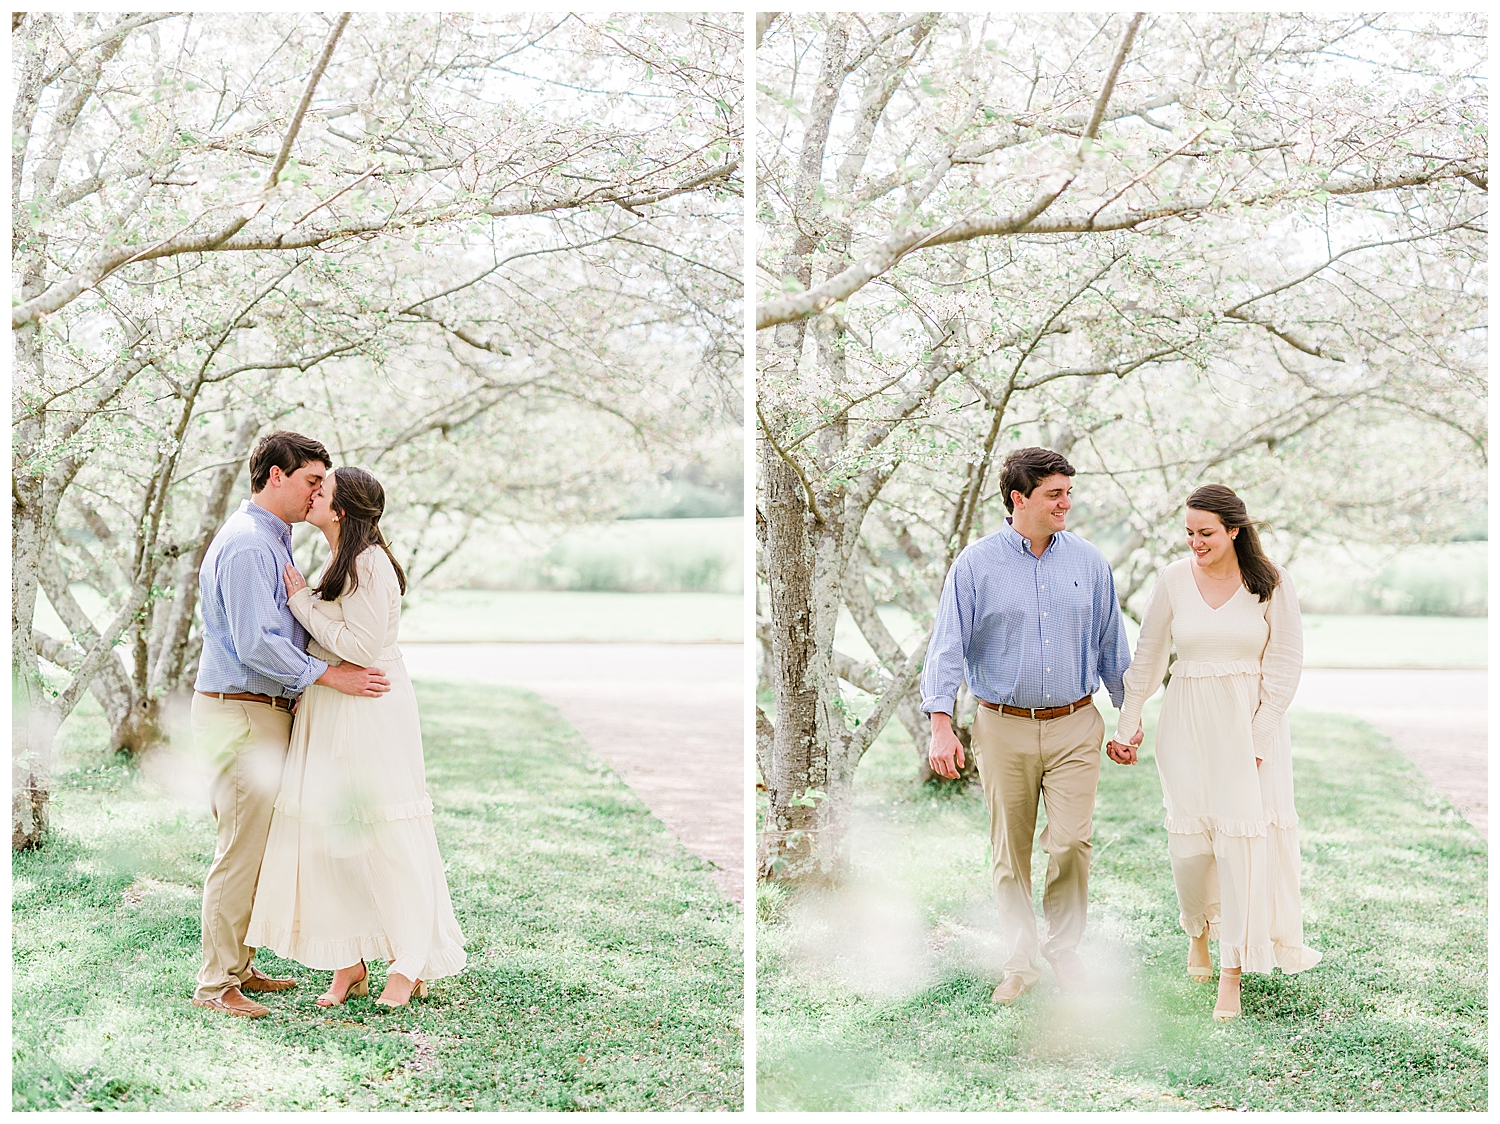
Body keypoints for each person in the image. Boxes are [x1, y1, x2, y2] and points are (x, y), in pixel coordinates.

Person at [246, 466, 467, 1008]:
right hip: (330, 707)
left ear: (341, 510)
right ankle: (348, 963)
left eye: (321, 491)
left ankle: (409, 963)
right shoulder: (341, 559)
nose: (311, 496)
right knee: (328, 836)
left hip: (367, 709)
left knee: (382, 834)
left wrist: (302, 603)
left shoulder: (369, 562)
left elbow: (363, 649)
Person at [923, 447, 1133, 1005]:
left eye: (1069, 492)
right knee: (1009, 853)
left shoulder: (1089, 562)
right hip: (1002, 726)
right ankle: (1020, 962)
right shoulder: (975, 565)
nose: (1067, 503)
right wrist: (941, 724)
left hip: (1075, 724)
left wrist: (1128, 718)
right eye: (1054, 494)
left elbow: (1112, 646)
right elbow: (947, 647)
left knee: (1071, 842)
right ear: (1019, 498)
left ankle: (1064, 948)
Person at [191, 433, 391, 1019]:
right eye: (311, 480)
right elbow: (257, 643)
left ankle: (239, 966)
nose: (317, 494)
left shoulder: (273, 540)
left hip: (261, 708)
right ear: (275, 476)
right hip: (242, 710)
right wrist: (328, 677)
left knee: (257, 844)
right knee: (239, 849)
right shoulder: (249, 544)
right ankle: (215, 985)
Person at [1107, 484, 1321, 1021]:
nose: (1195, 542)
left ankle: (1232, 971)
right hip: (1185, 726)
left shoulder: (1270, 583)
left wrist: (1258, 738)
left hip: (1249, 733)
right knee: (1190, 848)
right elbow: (1149, 656)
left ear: (1234, 530)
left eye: (1206, 533)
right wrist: (1128, 725)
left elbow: (1285, 664)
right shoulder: (1173, 580)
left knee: (1239, 848)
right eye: (1189, 533)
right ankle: (1198, 929)